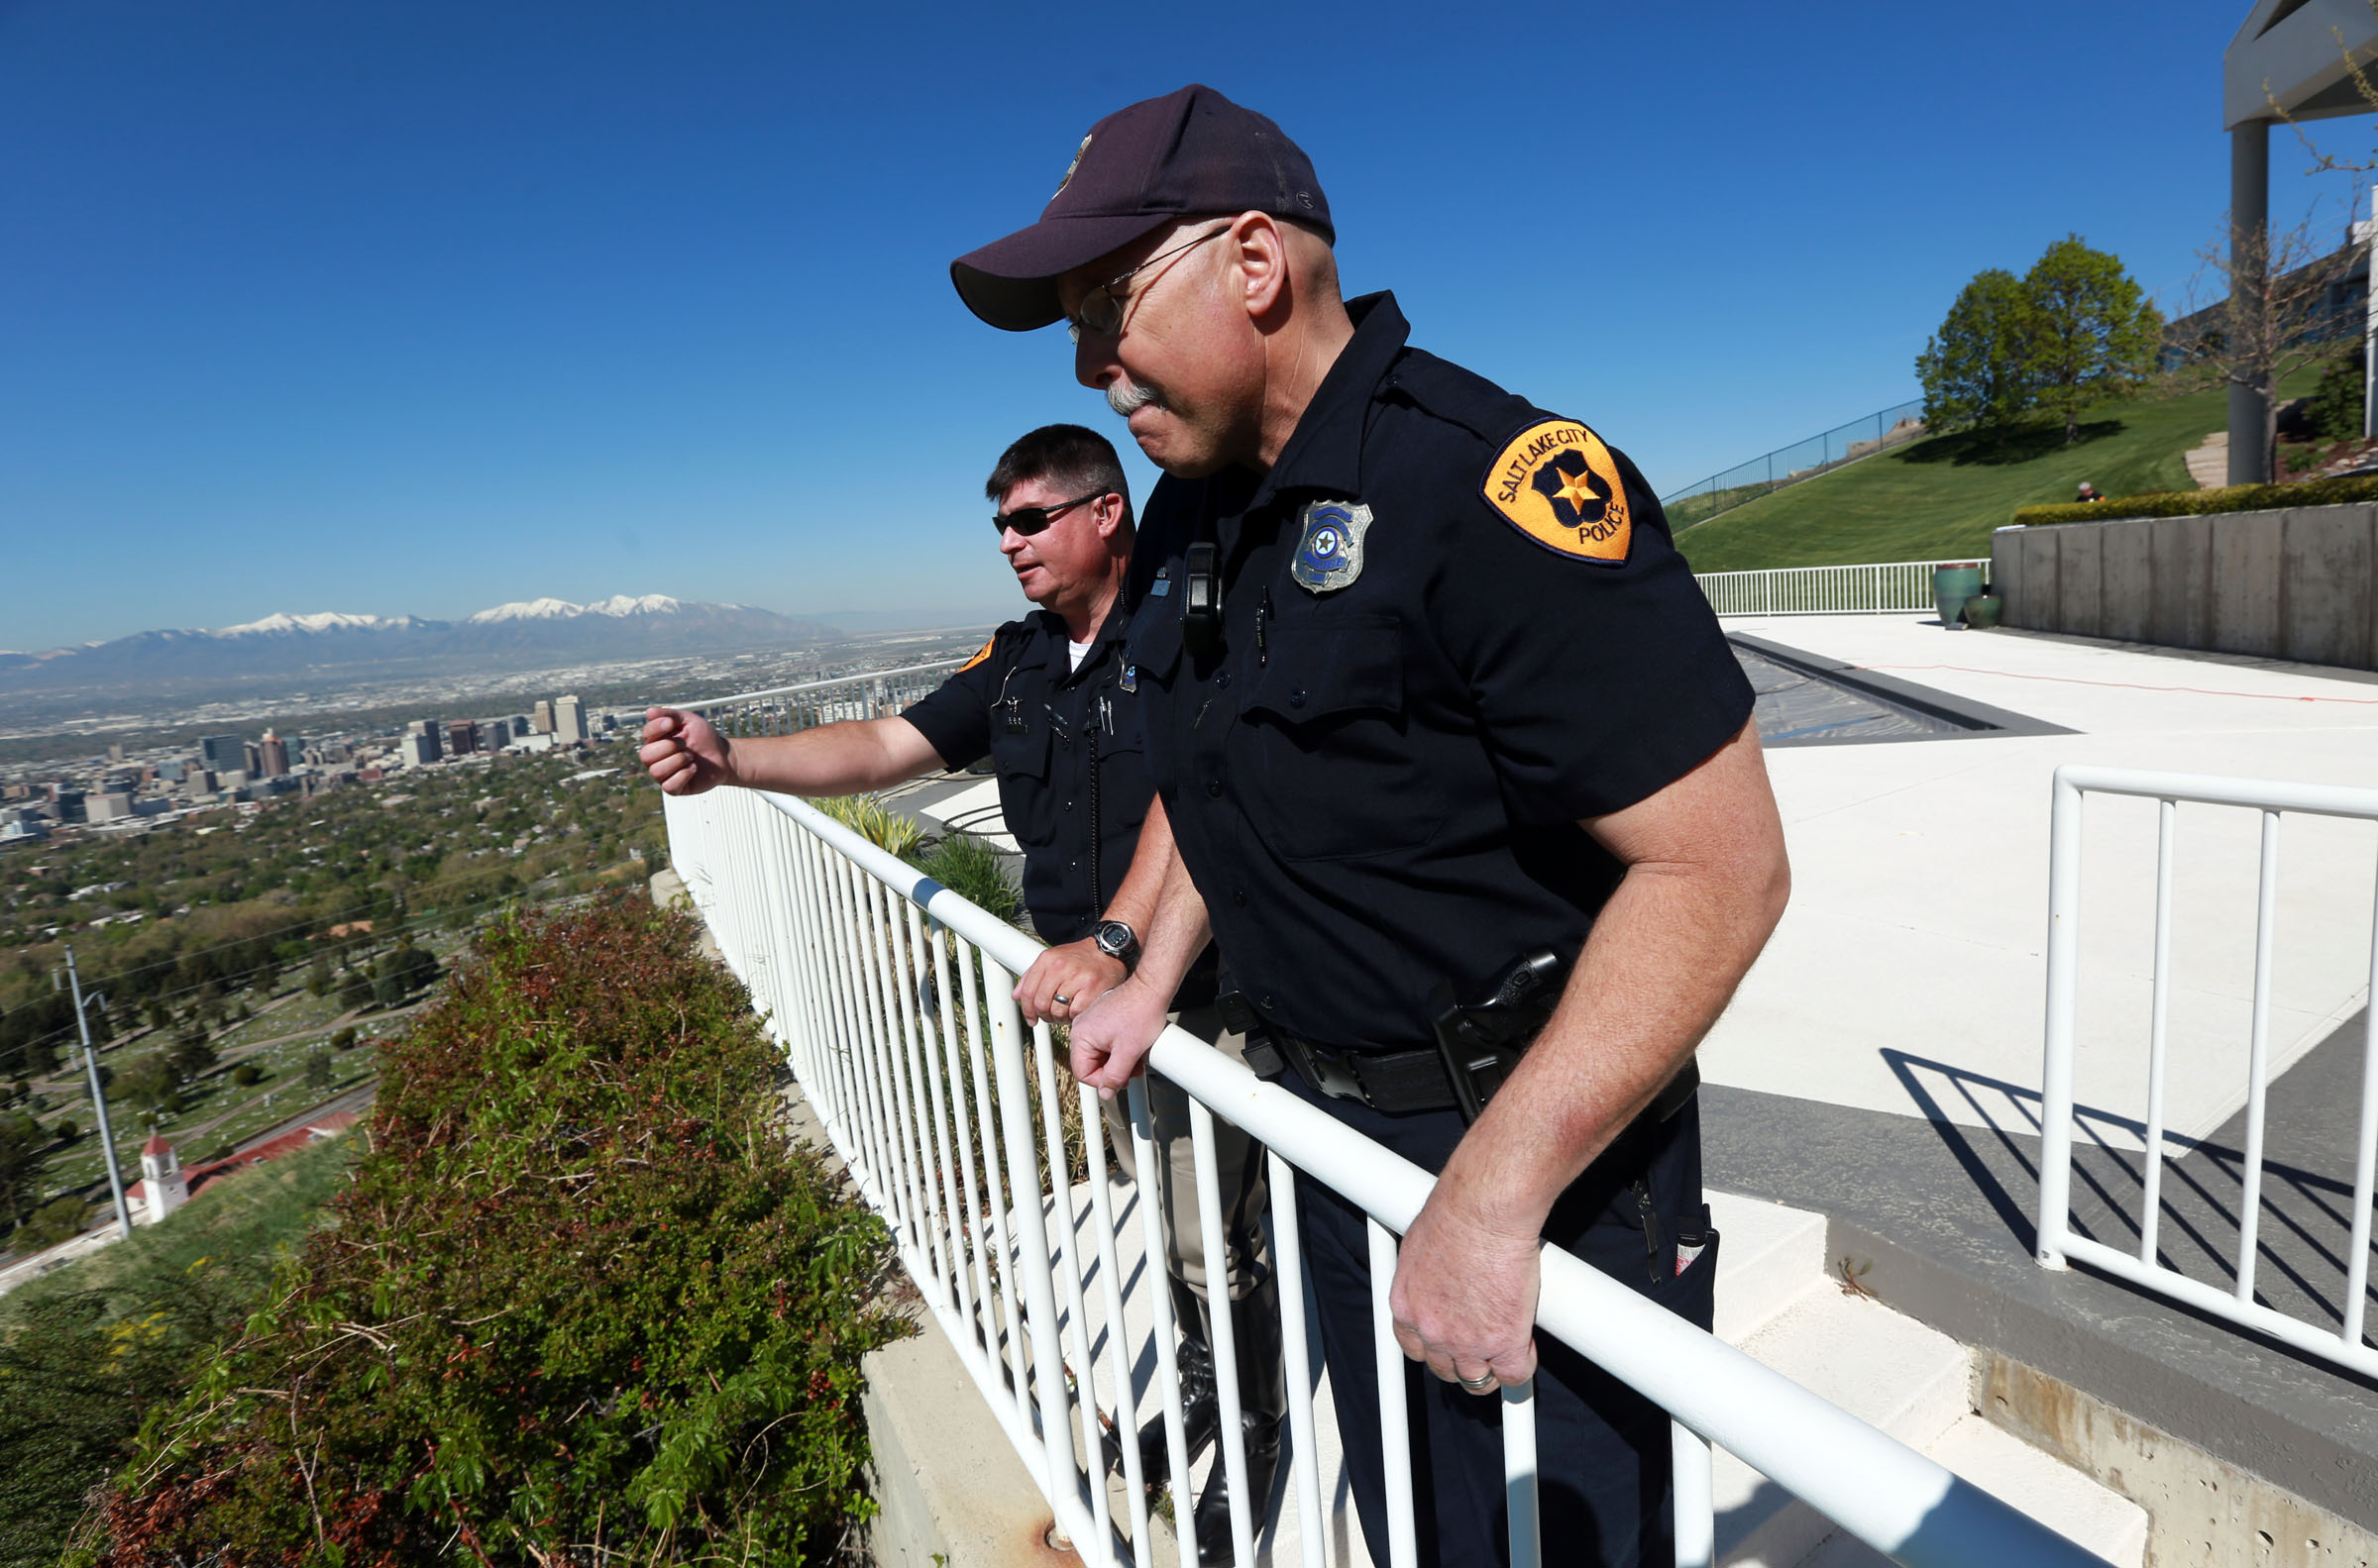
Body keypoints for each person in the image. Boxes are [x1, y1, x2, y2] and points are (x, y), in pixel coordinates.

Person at [948, 85, 1791, 1568]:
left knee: (1570, 1539)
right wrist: (1150, 972)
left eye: (1107, 306)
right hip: (1334, 1139)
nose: (1091, 363)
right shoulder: (1204, 517)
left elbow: (1719, 865)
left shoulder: (1488, 482)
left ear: (1255, 263)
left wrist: (1499, 1184)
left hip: (1539, 1157)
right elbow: (1229, 784)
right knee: (1415, 1524)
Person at [636, 423, 1283, 1564]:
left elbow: (1202, 795)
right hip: (1088, 1003)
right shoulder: (1022, 660)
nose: (1010, 543)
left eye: (1030, 519)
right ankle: (1196, 1386)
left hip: (1198, 988)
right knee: (1161, 1210)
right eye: (999, 524)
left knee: (1207, 1234)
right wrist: (734, 758)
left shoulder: (1187, 633)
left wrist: (1121, 937)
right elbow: (887, 742)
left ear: (1104, 514)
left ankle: (1248, 1426)